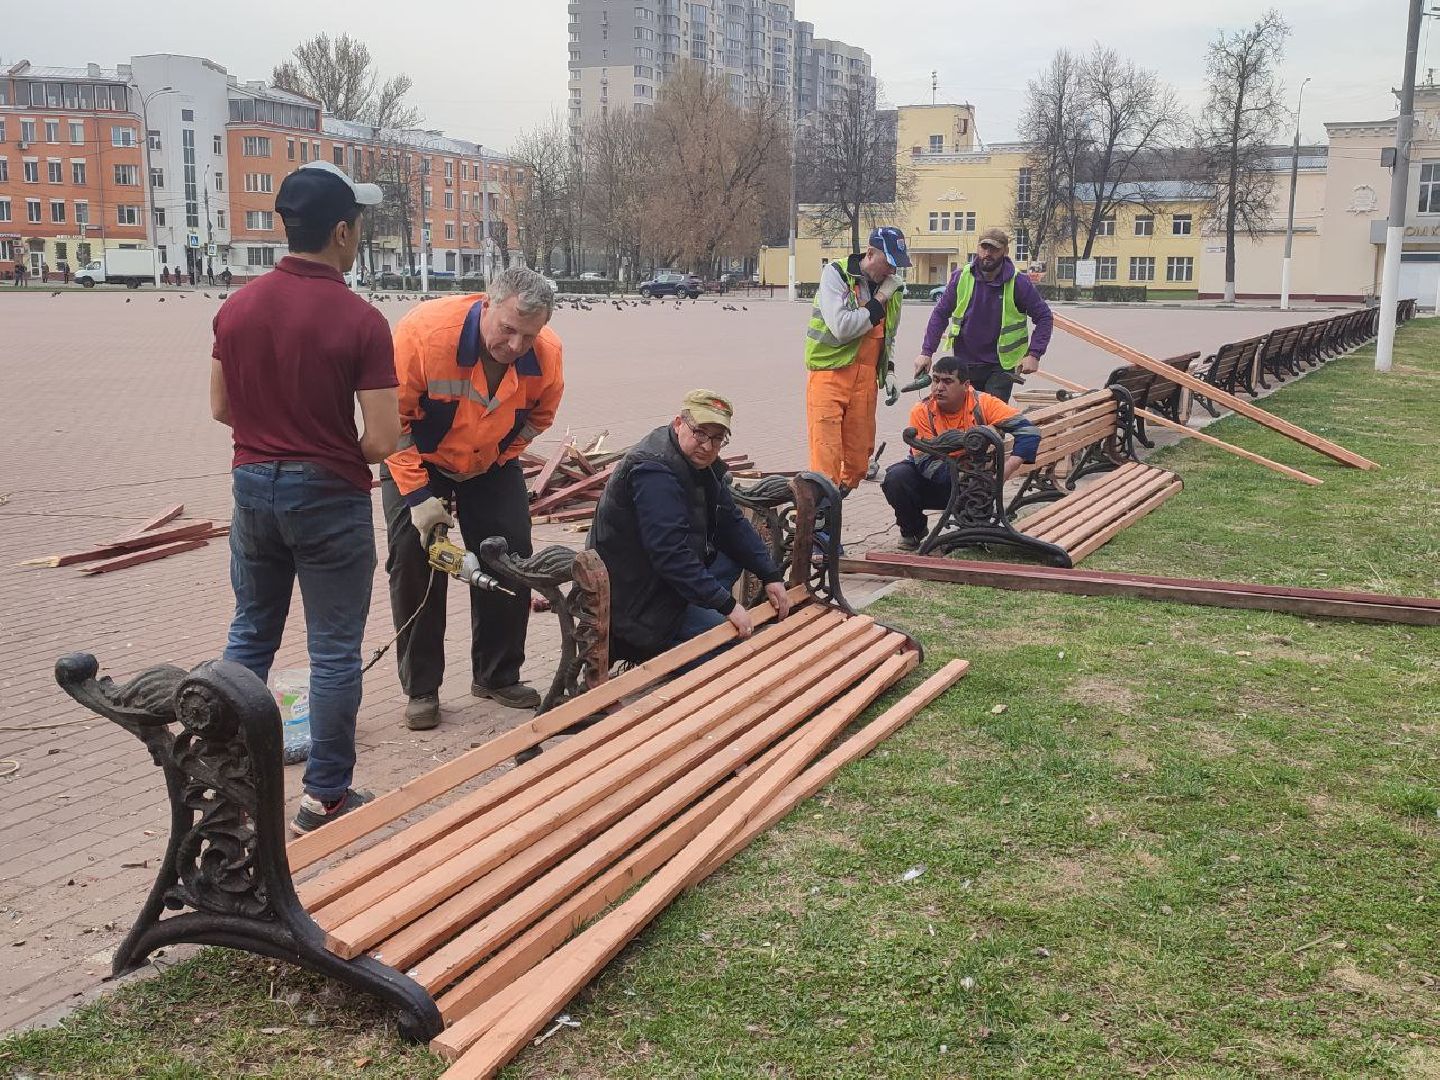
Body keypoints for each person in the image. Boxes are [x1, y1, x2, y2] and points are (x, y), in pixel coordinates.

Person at [210, 159, 400, 835]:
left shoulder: (235, 309)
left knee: (251, 631)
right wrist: (327, 448)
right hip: (329, 496)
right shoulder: (361, 321)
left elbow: (221, 408)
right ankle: (325, 799)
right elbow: (382, 438)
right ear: (342, 232)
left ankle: (223, 787)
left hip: (252, 485)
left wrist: (275, 437)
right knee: (334, 651)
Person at [381, 266, 564, 732]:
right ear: (487, 304)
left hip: (490, 462)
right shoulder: (424, 335)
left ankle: (497, 675)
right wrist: (420, 496)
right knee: (414, 557)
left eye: (529, 334)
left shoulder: (547, 354)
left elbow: (539, 417)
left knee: (513, 554)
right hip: (417, 458)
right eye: (508, 330)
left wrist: (503, 454)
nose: (517, 345)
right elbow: (392, 425)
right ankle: (422, 689)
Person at [590, 390, 790, 663]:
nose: (707, 446)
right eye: (700, 433)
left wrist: (770, 575)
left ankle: (694, 617)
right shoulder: (653, 472)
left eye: (717, 438)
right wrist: (727, 605)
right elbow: (670, 554)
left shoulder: (697, 464)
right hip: (636, 598)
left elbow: (731, 522)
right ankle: (650, 647)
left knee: (733, 551)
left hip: (664, 581)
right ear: (678, 423)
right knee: (733, 652)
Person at [881, 356, 1041, 551]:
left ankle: (970, 530)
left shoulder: (985, 403)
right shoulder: (921, 410)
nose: (939, 387)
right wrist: (966, 477)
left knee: (976, 485)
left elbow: (1029, 432)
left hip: (976, 481)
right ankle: (913, 531)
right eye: (936, 380)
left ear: (966, 385)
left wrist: (1005, 470)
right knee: (896, 478)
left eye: (948, 381)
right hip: (940, 477)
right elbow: (925, 462)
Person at [804, 226, 908, 493]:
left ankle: (833, 502)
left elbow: (889, 336)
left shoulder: (892, 289)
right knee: (826, 458)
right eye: (889, 264)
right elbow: (843, 327)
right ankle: (822, 520)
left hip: (866, 382)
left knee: (858, 463)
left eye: (897, 267)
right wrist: (881, 297)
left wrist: (891, 371)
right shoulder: (837, 275)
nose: (892, 273)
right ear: (871, 253)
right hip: (830, 375)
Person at [914, 227, 1053, 404]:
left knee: (990, 421)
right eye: (984, 247)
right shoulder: (961, 277)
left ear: (1005, 251)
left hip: (1000, 366)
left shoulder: (1018, 282)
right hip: (965, 363)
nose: (988, 253)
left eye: (994, 249)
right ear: (978, 248)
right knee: (963, 417)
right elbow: (940, 314)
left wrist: (1034, 354)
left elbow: (1044, 317)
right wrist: (926, 352)